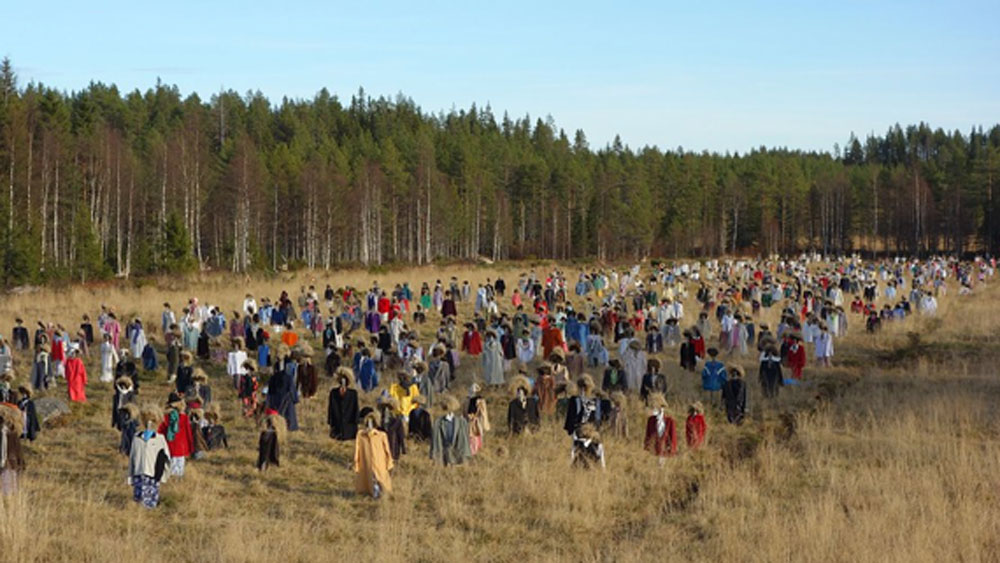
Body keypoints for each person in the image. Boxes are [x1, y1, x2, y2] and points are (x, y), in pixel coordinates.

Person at [127, 404, 171, 508]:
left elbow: (166, 458)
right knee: (139, 499)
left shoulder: (159, 439)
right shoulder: (137, 438)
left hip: (152, 473)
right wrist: (131, 475)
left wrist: (162, 475)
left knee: (149, 500)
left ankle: (147, 514)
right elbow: (132, 457)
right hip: (139, 472)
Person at [354, 410, 393, 499]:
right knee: (368, 478)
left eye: (371, 423)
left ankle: (382, 493)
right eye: (367, 423)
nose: (369, 425)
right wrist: (357, 464)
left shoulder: (382, 435)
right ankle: (372, 492)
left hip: (380, 462)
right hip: (366, 461)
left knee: (381, 478)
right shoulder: (361, 436)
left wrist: (389, 462)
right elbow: (357, 450)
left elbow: (387, 450)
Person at [158, 392, 194, 478]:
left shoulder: (164, 416)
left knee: (170, 466)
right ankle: (178, 481)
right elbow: (188, 433)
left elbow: (160, 431)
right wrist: (191, 446)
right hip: (181, 445)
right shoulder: (184, 417)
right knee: (179, 466)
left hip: (169, 444)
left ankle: (171, 479)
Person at [430, 395, 472, 466]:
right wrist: (434, 455)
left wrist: (466, 454)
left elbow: (465, 440)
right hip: (444, 453)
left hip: (458, 452)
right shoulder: (438, 422)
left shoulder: (461, 422)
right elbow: (435, 441)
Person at [643, 394, 677, 465]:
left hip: (665, 451)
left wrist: (672, 450)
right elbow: (648, 434)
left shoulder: (670, 421)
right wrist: (647, 447)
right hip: (654, 451)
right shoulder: (651, 420)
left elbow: (673, 436)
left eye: (657, 408)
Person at [328, 366, 360, 440]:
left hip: (349, 429)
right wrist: (331, 422)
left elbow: (356, 409)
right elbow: (331, 408)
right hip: (337, 428)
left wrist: (356, 422)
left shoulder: (353, 394)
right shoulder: (333, 393)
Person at [0, 402, 24, 495]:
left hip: (6, 463)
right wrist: (21, 463)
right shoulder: (14, 431)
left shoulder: (4, 431)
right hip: (12, 463)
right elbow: (19, 450)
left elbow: (4, 449)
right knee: (10, 492)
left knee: (5, 492)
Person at [467, 383, 490, 455]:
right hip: (470, 422)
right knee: (471, 437)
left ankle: (477, 451)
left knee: (477, 435)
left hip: (477, 422)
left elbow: (483, 413)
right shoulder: (467, 400)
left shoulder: (480, 401)